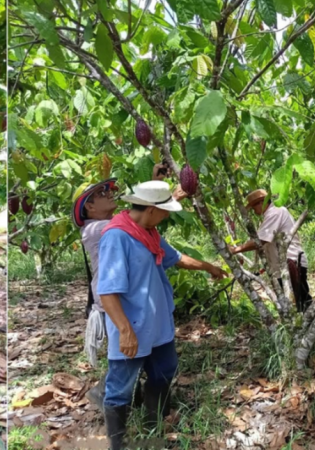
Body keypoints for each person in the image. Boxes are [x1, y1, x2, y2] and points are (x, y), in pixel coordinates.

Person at [97, 181, 227, 449]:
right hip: (133, 327)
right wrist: (125, 331)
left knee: (165, 370)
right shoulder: (117, 237)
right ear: (151, 209)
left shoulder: (149, 233)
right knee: (120, 388)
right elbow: (107, 292)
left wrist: (209, 267)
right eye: (165, 210)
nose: (167, 215)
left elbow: (176, 258)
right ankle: (117, 444)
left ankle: (152, 426)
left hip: (156, 325)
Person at [74, 164, 186, 410]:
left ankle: (139, 401)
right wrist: (167, 200)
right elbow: (137, 220)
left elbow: (139, 215)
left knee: (138, 357)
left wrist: (155, 190)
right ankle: (108, 397)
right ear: (89, 207)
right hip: (115, 303)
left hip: (128, 300)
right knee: (127, 359)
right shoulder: (97, 229)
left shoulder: (117, 223)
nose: (109, 194)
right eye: (101, 194)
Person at [229, 189, 311, 312]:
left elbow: (260, 240)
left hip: (291, 262)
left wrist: (236, 250)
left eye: (254, 207)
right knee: (293, 303)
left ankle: (310, 321)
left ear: (261, 203)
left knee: (301, 302)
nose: (254, 211)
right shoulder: (270, 215)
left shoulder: (275, 212)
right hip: (282, 266)